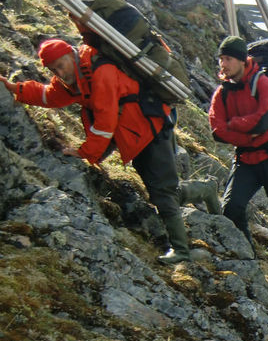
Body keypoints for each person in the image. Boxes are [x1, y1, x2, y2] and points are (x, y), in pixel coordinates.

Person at [0, 38, 191, 263]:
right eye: (54, 69)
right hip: (133, 133)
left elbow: (105, 121)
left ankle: (182, 252)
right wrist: (16, 90)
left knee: (162, 192)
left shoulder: (101, 72)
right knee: (159, 188)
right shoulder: (77, 78)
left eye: (61, 65)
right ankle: (204, 190)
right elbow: (50, 96)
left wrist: (85, 152)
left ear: (71, 55)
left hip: (151, 127)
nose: (59, 72)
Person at [208, 35, 268, 279]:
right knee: (231, 207)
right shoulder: (222, 93)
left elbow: (264, 121)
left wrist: (235, 125)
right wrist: (248, 134)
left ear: (243, 60)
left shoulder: (264, 84)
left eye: (228, 59)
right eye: (221, 59)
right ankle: (247, 255)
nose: (223, 64)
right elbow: (217, 132)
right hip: (246, 159)